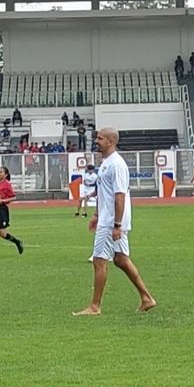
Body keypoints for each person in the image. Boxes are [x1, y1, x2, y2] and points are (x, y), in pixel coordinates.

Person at [74, 127, 156, 316]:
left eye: (100, 138)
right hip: (107, 218)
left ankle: (95, 306)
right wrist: (96, 214)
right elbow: (105, 193)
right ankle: (147, 298)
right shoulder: (105, 163)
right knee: (120, 259)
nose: (96, 141)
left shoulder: (117, 165)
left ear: (111, 141)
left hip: (111, 221)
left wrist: (117, 225)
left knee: (99, 260)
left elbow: (120, 196)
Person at [0, 166, 24, 258]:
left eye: (1, 172)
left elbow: (13, 197)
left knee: (2, 234)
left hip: (2, 209)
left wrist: (2, 200)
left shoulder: (7, 184)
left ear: (5, 174)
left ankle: (17, 242)